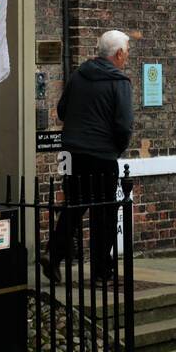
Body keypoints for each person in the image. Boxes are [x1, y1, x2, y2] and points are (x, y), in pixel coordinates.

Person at [41, 30, 133, 286]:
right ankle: (102, 272)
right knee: (104, 213)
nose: (126, 57)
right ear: (118, 54)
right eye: (126, 52)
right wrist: (117, 148)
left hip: (72, 154)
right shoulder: (119, 82)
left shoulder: (78, 76)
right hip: (102, 156)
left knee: (73, 207)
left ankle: (53, 255)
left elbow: (61, 111)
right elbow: (124, 125)